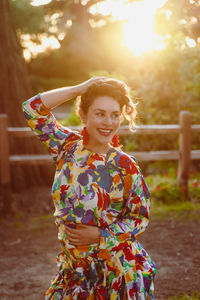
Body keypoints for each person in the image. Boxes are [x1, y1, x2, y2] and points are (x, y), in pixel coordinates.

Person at [22, 77, 156, 300]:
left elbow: (138, 218)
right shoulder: (67, 147)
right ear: (83, 115)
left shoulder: (125, 166)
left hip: (116, 273)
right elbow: (32, 109)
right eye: (100, 113)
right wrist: (80, 88)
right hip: (74, 271)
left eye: (115, 115)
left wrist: (101, 235)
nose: (108, 122)